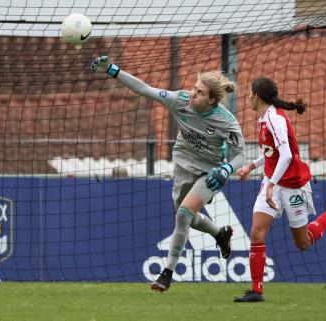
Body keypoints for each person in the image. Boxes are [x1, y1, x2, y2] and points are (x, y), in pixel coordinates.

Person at [91, 56, 246, 292]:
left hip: (210, 171)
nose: (193, 93)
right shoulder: (180, 100)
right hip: (183, 166)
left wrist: (225, 170)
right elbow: (144, 89)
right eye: (195, 88)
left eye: (200, 93)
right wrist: (113, 70)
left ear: (213, 100)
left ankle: (167, 273)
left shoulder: (227, 122)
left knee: (183, 215)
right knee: (188, 218)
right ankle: (219, 233)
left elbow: (240, 156)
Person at [233, 77, 326, 303]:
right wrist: (251, 166)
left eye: (249, 92)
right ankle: (257, 291)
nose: (247, 96)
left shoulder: (275, 118)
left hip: (293, 185)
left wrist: (270, 185)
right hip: (274, 181)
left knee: (303, 243)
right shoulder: (265, 118)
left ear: (256, 96)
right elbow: (272, 153)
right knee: (257, 232)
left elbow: (287, 155)